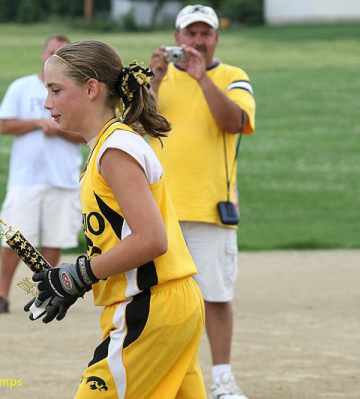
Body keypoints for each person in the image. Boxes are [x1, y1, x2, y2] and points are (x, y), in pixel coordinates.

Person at [24, 40, 207, 399]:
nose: (48, 103)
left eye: (56, 90)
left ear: (91, 88)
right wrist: (76, 282)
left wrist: (79, 273)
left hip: (150, 305)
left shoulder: (115, 150)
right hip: (167, 303)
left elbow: (151, 239)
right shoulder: (110, 146)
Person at [148, 5, 256, 399]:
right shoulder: (156, 77)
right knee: (160, 300)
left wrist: (202, 79)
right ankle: (170, 377)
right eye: (189, 34)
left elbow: (234, 122)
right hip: (159, 212)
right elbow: (138, 125)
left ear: (216, 38)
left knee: (216, 296)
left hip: (211, 207)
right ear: (176, 39)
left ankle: (222, 379)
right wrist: (155, 79)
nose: (197, 41)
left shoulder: (233, 76)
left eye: (204, 34)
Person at [0, 35, 84, 314]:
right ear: (43, 53)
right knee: (15, 238)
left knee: (54, 239)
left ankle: (46, 294)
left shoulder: (75, 91)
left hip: (62, 178)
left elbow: (86, 133)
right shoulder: (22, 87)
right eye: (53, 51)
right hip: (26, 178)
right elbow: (6, 126)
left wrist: (60, 130)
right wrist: (37, 122)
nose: (56, 56)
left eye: (64, 53)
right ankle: (2, 295)